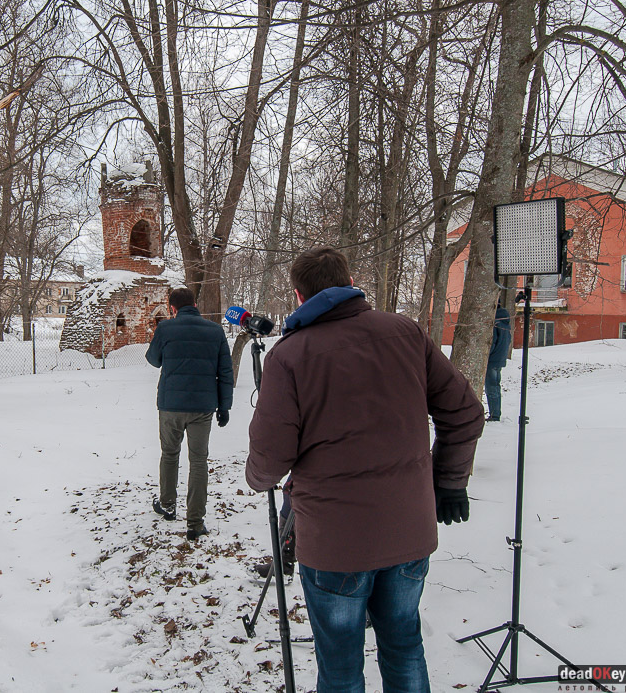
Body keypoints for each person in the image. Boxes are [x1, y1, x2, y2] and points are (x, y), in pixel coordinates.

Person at [246, 247, 484, 693]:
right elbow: (466, 413)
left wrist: (257, 479)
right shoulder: (406, 333)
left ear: (300, 296)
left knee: (339, 664)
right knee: (404, 644)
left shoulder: (290, 355)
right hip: (408, 531)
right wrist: (449, 481)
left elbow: (270, 456)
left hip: (335, 544)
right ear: (349, 280)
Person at [145, 287, 233, 542]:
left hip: (171, 405)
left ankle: (168, 505)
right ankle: (195, 521)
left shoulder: (165, 329)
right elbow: (225, 372)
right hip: (203, 407)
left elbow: (153, 359)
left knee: (170, 455)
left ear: (172, 308)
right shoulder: (215, 331)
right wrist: (224, 406)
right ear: (195, 304)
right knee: (198, 461)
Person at [485, 298, 512, 422]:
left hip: (492, 360)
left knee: (491, 388)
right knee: (496, 386)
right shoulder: (505, 323)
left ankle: (494, 415)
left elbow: (491, 343)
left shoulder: (495, 323)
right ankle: (496, 413)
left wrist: (486, 355)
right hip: (500, 360)